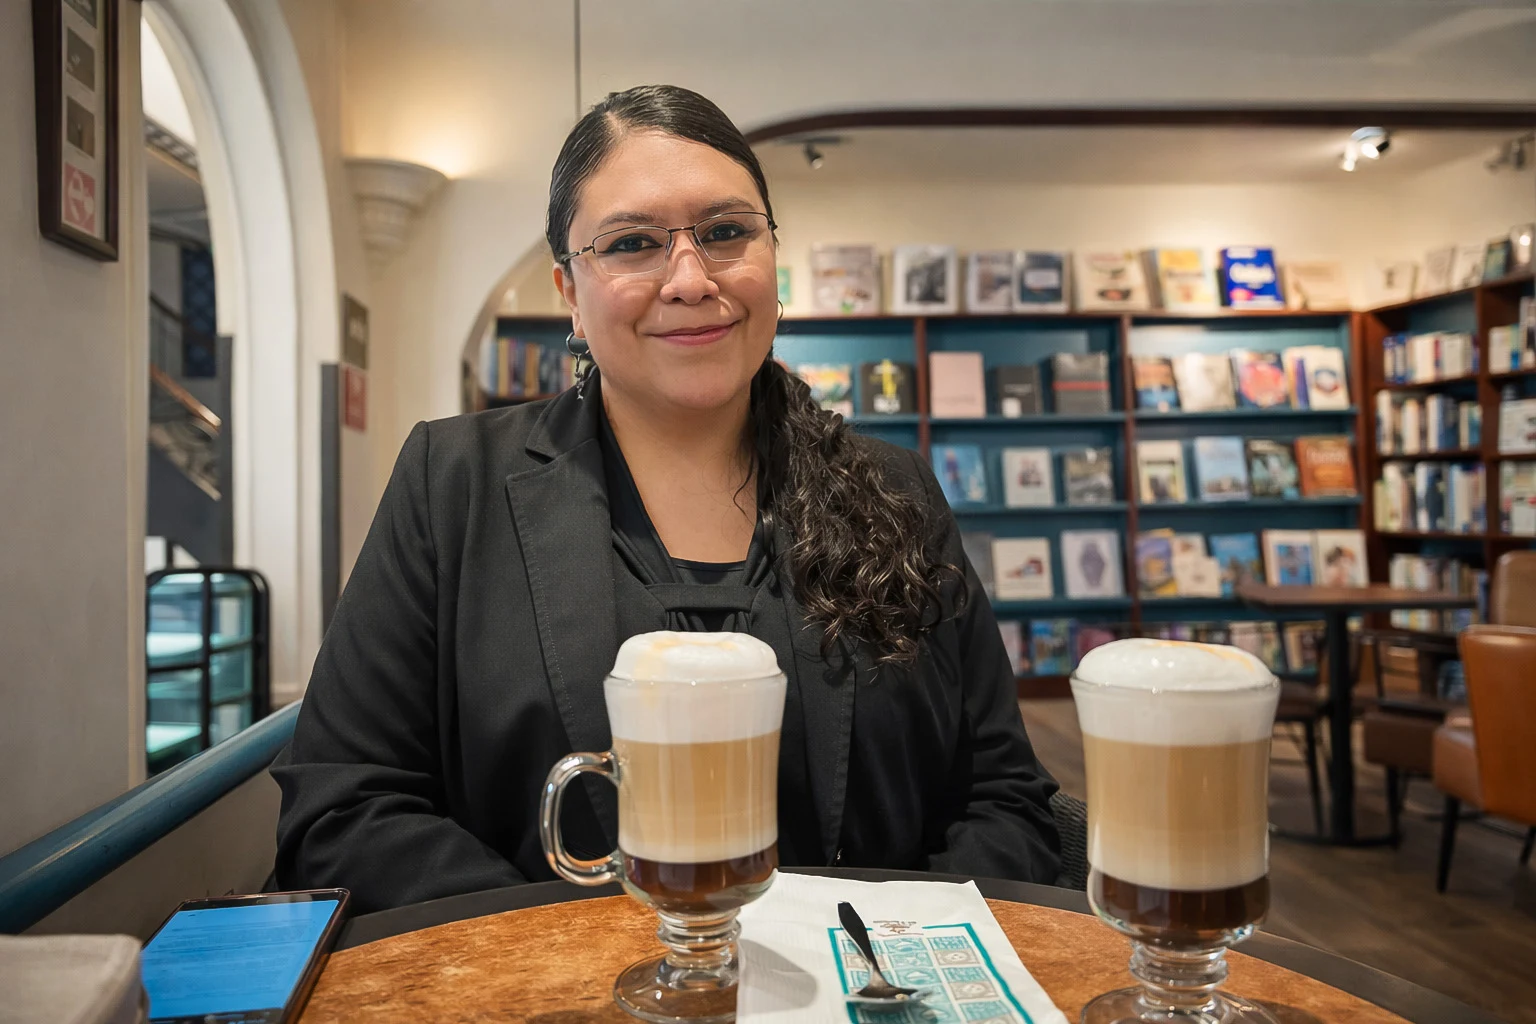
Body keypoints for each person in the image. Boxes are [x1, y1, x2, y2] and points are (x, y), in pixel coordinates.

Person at [272, 84, 1060, 914]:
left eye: (725, 233)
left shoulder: (896, 492)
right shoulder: (452, 483)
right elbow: (343, 808)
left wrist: (890, 951)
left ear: (772, 256)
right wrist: (581, 958)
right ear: (570, 293)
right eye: (632, 244)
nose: (690, 278)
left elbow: (1004, 799)